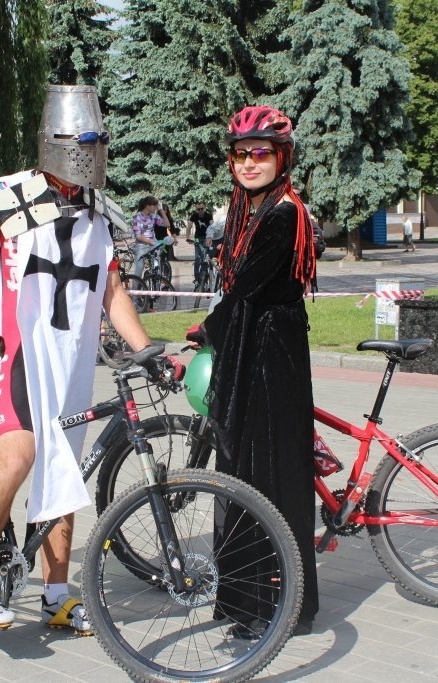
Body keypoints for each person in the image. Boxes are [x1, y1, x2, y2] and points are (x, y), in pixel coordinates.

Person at [0, 84, 181, 635]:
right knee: (19, 459)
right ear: (56, 141)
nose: (88, 155)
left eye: (96, 144)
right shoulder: (10, 192)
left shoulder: (95, 209)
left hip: (71, 363)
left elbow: (112, 290)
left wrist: (144, 349)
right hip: (17, 354)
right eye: (80, 143)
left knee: (65, 471)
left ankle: (56, 595)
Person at [185, 105, 318, 636]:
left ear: (282, 157)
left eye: (260, 153)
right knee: (254, 471)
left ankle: (271, 604)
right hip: (257, 344)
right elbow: (241, 293)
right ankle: (260, 598)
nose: (248, 162)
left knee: (265, 474)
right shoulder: (253, 209)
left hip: (270, 356)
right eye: (240, 154)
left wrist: (207, 329)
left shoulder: (283, 215)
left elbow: (244, 291)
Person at [131, 196, 168, 277]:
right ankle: (137, 284)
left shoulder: (153, 216)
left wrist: (161, 210)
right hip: (141, 246)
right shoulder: (137, 217)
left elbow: (167, 224)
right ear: (148, 205)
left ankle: (157, 281)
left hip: (153, 245)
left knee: (157, 267)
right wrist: (151, 242)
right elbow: (138, 236)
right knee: (139, 268)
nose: (156, 208)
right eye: (155, 205)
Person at [188, 201, 213, 282]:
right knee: (197, 258)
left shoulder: (208, 215)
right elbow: (189, 226)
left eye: (202, 208)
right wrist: (187, 237)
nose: (200, 210)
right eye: (198, 209)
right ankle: (196, 278)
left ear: (204, 208)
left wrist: (212, 236)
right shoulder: (194, 216)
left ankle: (205, 275)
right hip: (197, 238)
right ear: (196, 210)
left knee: (205, 256)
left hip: (206, 238)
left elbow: (212, 225)